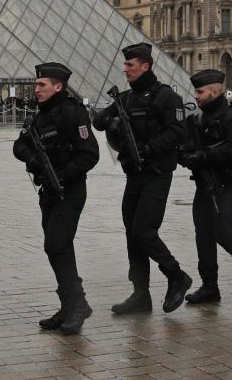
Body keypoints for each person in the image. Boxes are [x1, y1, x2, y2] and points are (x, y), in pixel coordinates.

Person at [92, 42, 191, 315]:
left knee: (144, 231)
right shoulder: (125, 98)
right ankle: (140, 293)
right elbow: (99, 120)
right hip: (133, 175)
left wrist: (148, 148)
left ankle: (176, 275)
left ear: (145, 66)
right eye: (125, 65)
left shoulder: (166, 97)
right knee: (131, 234)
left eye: (130, 65)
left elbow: (178, 132)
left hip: (157, 173)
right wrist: (110, 121)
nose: (125, 69)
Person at [12, 63, 99, 334]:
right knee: (58, 247)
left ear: (58, 86)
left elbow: (90, 154)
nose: (36, 89)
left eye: (42, 85)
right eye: (37, 85)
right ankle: (69, 307)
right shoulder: (40, 117)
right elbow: (19, 145)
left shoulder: (73, 113)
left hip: (69, 190)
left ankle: (77, 305)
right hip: (48, 192)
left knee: (56, 245)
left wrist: (62, 175)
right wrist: (33, 158)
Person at [179, 70, 232, 304]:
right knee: (203, 236)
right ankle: (209, 286)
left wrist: (204, 155)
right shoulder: (196, 119)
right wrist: (186, 157)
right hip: (203, 185)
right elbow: (185, 147)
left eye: (200, 92)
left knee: (224, 233)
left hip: (227, 184)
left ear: (215, 92)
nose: (195, 96)